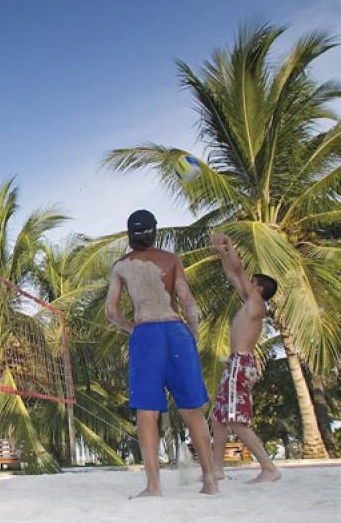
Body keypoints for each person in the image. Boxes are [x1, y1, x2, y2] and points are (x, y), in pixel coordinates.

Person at [105, 210, 219, 497]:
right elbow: (187, 301)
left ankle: (154, 486)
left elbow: (111, 312)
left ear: (129, 234)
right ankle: (210, 481)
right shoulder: (171, 260)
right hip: (176, 331)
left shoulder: (122, 265)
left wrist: (133, 329)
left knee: (147, 412)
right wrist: (191, 335)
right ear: (154, 232)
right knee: (192, 410)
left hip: (146, 333)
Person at [209, 233, 281, 483]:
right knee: (219, 418)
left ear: (259, 288)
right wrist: (220, 253)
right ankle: (216, 469)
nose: (246, 283)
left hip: (241, 363)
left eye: (252, 282)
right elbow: (233, 274)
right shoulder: (249, 302)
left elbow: (238, 269)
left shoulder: (257, 303)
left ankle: (269, 468)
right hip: (236, 364)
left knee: (236, 422)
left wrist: (229, 244)